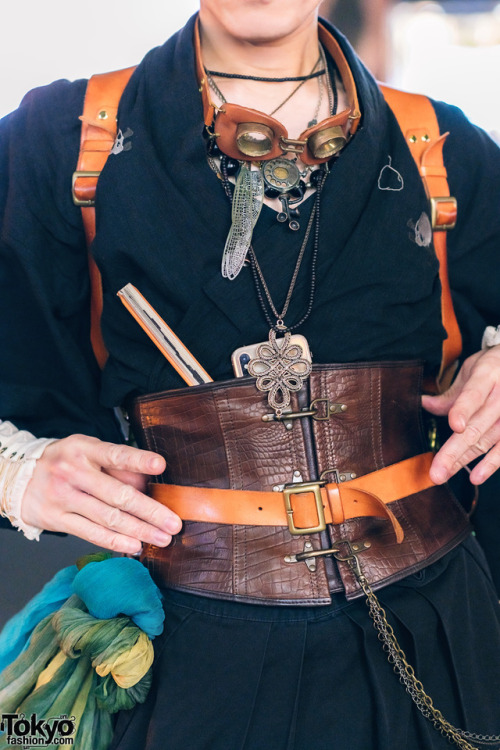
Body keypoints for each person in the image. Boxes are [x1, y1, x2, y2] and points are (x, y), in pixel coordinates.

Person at [1, 1, 500, 748]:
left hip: (438, 637)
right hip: (189, 662)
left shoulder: (447, 147)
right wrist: (14, 470)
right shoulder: (63, 140)